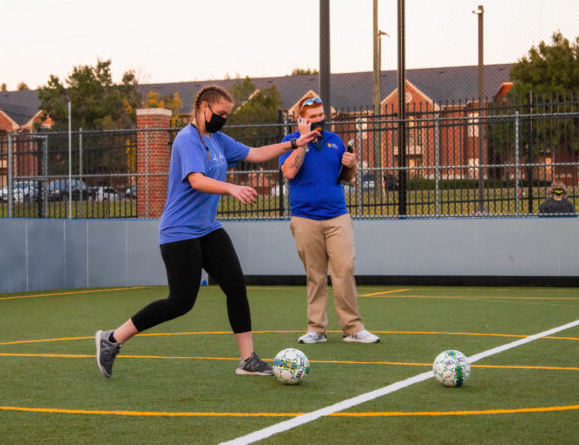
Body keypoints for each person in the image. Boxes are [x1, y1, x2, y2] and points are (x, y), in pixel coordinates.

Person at [95, 85, 320, 378]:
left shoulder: (217, 139)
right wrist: (231, 187)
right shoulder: (187, 139)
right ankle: (111, 340)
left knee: (236, 285)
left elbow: (255, 153)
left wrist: (294, 143)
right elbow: (196, 180)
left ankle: (248, 359)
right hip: (179, 232)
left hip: (207, 229)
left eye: (227, 114)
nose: (223, 118)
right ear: (204, 107)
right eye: (221, 113)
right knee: (180, 302)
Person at [279, 96, 380, 345]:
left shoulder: (335, 140)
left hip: (337, 216)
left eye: (321, 115)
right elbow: (289, 171)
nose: (318, 120)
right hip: (304, 218)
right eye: (312, 117)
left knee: (344, 268)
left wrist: (353, 165)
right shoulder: (289, 142)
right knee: (315, 274)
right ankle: (316, 329)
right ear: (300, 119)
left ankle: (353, 329)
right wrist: (301, 141)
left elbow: (346, 178)